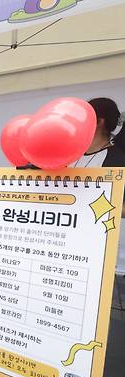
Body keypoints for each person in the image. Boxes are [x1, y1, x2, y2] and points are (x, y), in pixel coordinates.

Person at [73, 97, 125, 273]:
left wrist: (96, 203)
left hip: (97, 247)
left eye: (84, 116)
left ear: (99, 121)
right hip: (67, 240)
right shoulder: (72, 154)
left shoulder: (117, 161)